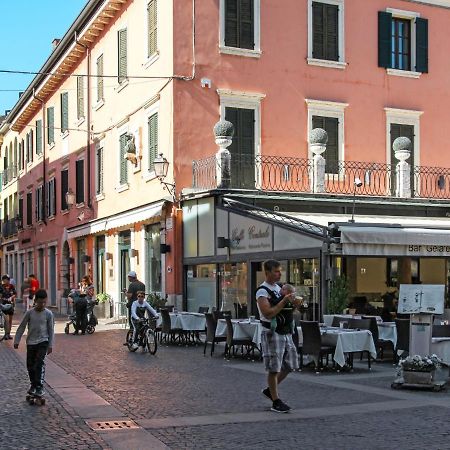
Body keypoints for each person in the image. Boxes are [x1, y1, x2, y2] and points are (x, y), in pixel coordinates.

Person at [256, 260, 303, 413]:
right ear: (267, 272)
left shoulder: (279, 288)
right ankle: (276, 401)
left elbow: (289, 311)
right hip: (272, 332)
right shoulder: (262, 291)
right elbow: (268, 313)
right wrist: (284, 301)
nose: (279, 274)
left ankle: (270, 390)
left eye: (279, 271)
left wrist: (295, 304)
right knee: (274, 367)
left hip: (286, 331)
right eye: (276, 271)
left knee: (291, 363)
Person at [13, 289, 54, 398]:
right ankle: (33, 385)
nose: (42, 305)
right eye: (40, 302)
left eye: (44, 302)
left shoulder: (48, 314)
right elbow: (22, 326)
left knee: (39, 363)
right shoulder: (29, 313)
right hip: (31, 342)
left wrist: (50, 345)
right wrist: (16, 340)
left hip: (43, 341)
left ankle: (39, 386)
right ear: (35, 301)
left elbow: (51, 330)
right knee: (30, 365)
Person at [1, 274, 17, 340]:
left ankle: (9, 333)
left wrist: (11, 297)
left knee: (10, 320)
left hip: (10, 305)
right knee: (6, 320)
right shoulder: (1, 287)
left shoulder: (11, 286)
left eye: (6, 280)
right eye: (4, 280)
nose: (5, 281)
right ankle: (6, 333)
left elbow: (15, 294)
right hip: (4, 305)